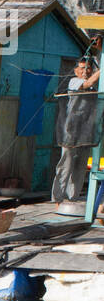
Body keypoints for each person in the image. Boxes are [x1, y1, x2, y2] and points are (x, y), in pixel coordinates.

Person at [52, 50, 102, 204]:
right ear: (76, 70)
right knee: (65, 165)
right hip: (70, 131)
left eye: (88, 68)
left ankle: (72, 198)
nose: (85, 70)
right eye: (82, 68)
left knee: (80, 166)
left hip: (86, 132)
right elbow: (88, 83)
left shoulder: (96, 89)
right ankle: (58, 200)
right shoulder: (74, 81)